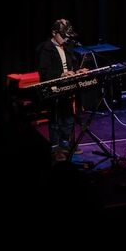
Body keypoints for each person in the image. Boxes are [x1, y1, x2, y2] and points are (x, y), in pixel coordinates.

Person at [37, 18, 87, 162]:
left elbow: (72, 64)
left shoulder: (68, 46)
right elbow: (44, 73)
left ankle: (67, 144)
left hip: (67, 87)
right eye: (63, 35)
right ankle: (55, 149)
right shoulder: (46, 49)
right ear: (54, 33)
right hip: (53, 89)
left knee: (69, 117)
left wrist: (77, 71)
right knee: (56, 119)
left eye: (67, 36)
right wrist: (61, 75)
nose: (66, 39)